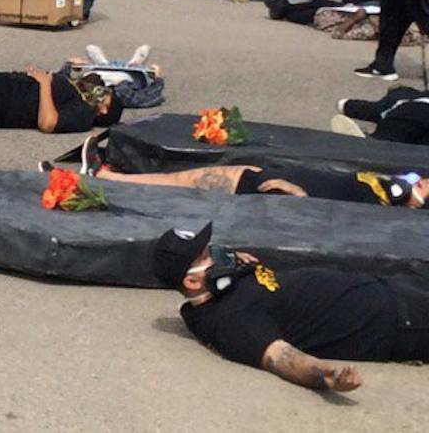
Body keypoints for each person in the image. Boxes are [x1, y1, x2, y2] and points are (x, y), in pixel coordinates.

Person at [152, 223, 429, 392]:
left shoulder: (224, 288)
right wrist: (325, 375)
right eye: (207, 254)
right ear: (192, 280)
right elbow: (280, 358)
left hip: (390, 287)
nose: (218, 253)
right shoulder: (230, 321)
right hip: (399, 320)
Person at [61, 134, 429, 208]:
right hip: (281, 178)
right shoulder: (402, 185)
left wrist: (298, 195)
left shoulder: (396, 201)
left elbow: (346, 213)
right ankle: (111, 177)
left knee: (190, 185)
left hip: (285, 192)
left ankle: (110, 179)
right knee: (191, 180)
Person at [334, 87, 429, 143]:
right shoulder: (399, 98)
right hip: (413, 113)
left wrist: (346, 105)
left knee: (393, 137)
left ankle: (374, 145)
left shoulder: (397, 99)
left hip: (413, 112)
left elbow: (344, 105)